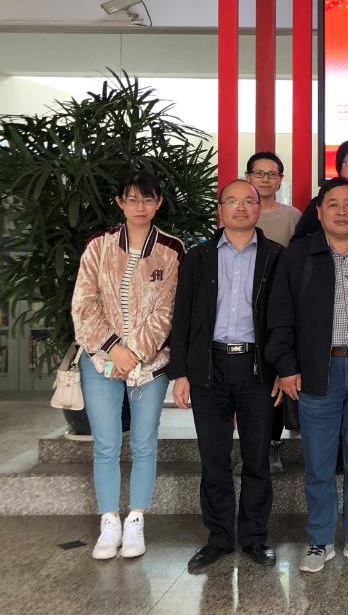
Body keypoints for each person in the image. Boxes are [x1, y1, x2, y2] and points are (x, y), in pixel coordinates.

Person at [267, 177, 348, 572]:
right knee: (319, 463)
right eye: (333, 204)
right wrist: (287, 367)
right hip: (317, 371)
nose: (341, 211)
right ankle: (319, 541)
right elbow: (280, 316)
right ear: (319, 212)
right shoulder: (298, 255)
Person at [169, 179, 284, 571]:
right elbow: (182, 316)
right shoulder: (198, 257)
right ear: (220, 210)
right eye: (232, 201)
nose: (240, 207)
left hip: (257, 369)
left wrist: (283, 369)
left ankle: (254, 537)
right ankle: (218, 537)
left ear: (258, 208)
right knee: (213, 457)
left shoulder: (276, 256)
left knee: (257, 458)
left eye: (248, 201)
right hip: (209, 367)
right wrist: (180, 373)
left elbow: (286, 319)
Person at [71, 171, 184, 560]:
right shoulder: (99, 246)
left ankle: (136, 519)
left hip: (150, 364)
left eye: (148, 199)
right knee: (105, 443)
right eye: (132, 199)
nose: (140, 207)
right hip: (99, 361)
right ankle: (109, 521)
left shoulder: (171, 249)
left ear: (158, 203)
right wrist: (112, 349)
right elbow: (84, 303)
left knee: (143, 441)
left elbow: (168, 310)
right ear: (119, 202)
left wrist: (133, 353)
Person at [245, 150, 302, 474]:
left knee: (276, 376)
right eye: (259, 173)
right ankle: (251, 446)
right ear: (248, 176)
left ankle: (273, 444)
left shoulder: (292, 216)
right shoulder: (237, 212)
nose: (265, 179)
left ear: (280, 180)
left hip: (277, 309)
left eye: (272, 174)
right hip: (241, 313)